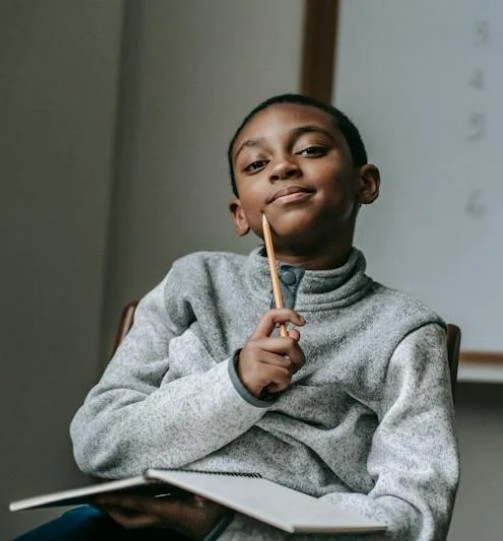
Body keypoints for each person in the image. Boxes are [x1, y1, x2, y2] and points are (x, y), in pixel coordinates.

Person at [17, 93, 459, 540]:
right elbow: (97, 442)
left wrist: (231, 529)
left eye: (309, 150)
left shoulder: (404, 329)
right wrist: (235, 385)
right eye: (255, 165)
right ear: (240, 214)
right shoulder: (193, 282)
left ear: (366, 183)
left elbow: (415, 515)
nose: (282, 167)